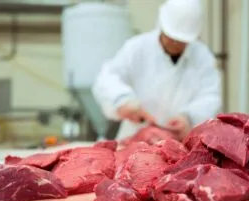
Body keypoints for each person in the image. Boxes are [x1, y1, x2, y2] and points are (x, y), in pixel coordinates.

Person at [92, 0, 222, 140]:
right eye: (171, 38)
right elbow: (107, 78)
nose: (175, 44)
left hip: (180, 142)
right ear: (161, 27)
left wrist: (188, 117)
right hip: (135, 138)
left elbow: (210, 96)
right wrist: (124, 101)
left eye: (181, 41)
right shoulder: (137, 47)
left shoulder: (202, 57)